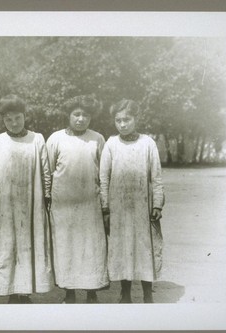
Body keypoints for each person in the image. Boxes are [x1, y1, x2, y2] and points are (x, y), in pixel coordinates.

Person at [0, 94, 53, 303]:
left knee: (29, 245)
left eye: (18, 118)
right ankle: (11, 291)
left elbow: (46, 171)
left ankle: (25, 292)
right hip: (5, 204)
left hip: (32, 202)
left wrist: (47, 197)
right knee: (7, 246)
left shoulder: (37, 138)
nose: (14, 123)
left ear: (25, 116)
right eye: (8, 119)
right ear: (3, 120)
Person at [99, 99, 164, 303]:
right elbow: (103, 178)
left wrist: (157, 204)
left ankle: (147, 294)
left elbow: (156, 176)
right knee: (122, 249)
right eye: (118, 120)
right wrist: (106, 208)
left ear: (136, 118)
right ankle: (125, 294)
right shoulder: (111, 144)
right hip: (118, 207)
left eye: (127, 119)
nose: (123, 124)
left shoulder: (148, 143)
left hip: (143, 206)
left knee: (145, 248)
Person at [46, 95, 109, 303]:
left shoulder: (98, 138)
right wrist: (47, 197)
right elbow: (48, 171)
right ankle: (69, 292)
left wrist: (104, 201)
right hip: (63, 202)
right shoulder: (55, 138)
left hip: (90, 202)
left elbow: (104, 171)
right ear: (69, 116)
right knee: (66, 246)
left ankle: (92, 292)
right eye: (77, 114)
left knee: (91, 246)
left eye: (86, 115)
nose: (81, 119)